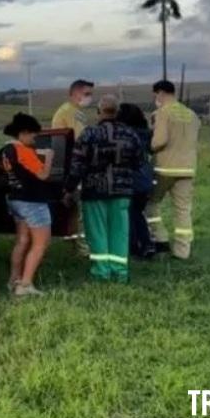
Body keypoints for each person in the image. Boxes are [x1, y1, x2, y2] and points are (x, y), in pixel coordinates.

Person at [67, 95, 143, 282]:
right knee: (119, 232)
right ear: (117, 112)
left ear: (99, 112)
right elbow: (139, 162)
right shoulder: (131, 134)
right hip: (122, 191)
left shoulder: (89, 134)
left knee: (97, 233)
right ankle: (120, 272)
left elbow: (77, 165)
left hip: (94, 192)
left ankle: (101, 272)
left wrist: (68, 188)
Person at [0, 112, 55, 297]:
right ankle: (25, 284)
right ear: (23, 133)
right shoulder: (24, 150)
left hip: (16, 199)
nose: (35, 138)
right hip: (33, 202)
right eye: (33, 134)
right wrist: (48, 158)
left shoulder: (7, 150)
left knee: (22, 241)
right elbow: (43, 175)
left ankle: (13, 280)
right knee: (41, 243)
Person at [146, 79, 200, 259]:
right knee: (183, 209)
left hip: (165, 168)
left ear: (160, 93)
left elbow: (160, 140)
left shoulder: (163, 112)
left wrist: (150, 144)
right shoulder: (192, 114)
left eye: (156, 96)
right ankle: (183, 250)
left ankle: (160, 237)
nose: (156, 99)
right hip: (188, 168)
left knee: (151, 203)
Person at [52, 78, 95, 256]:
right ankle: (83, 248)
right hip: (74, 166)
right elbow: (82, 140)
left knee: (73, 209)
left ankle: (75, 244)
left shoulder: (75, 111)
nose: (89, 98)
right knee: (81, 210)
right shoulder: (72, 113)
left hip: (70, 165)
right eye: (86, 94)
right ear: (74, 93)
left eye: (91, 94)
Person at [117, 102, 156, 260]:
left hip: (130, 178)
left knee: (129, 214)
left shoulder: (125, 135)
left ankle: (135, 247)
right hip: (145, 178)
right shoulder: (146, 134)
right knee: (137, 213)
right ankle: (146, 244)